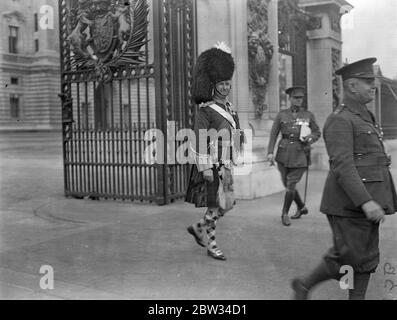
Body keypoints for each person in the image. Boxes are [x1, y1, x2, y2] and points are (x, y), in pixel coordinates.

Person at [291, 57, 397, 300]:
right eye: (367, 81)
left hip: (367, 200)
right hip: (349, 204)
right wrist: (365, 202)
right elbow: (343, 165)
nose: (373, 85)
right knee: (348, 256)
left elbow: (364, 156)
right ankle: (304, 286)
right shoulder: (340, 118)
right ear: (351, 86)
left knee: (365, 258)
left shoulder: (363, 115)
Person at [185, 42, 244, 261]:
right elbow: (198, 138)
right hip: (212, 165)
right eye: (222, 84)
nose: (226, 87)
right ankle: (212, 244)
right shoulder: (206, 110)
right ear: (213, 85)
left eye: (228, 83)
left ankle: (198, 227)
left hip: (226, 164)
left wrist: (236, 154)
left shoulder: (230, 109)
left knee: (228, 204)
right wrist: (206, 167)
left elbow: (236, 133)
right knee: (214, 204)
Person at [267, 86, 321, 226]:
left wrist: (310, 138)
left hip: (300, 154)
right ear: (289, 98)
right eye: (296, 98)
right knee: (287, 183)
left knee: (291, 183)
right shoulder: (281, 115)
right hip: (283, 155)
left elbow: (317, 132)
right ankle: (302, 207)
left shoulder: (308, 115)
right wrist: (270, 152)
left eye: (301, 98)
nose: (299, 100)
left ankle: (284, 214)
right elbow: (274, 134)